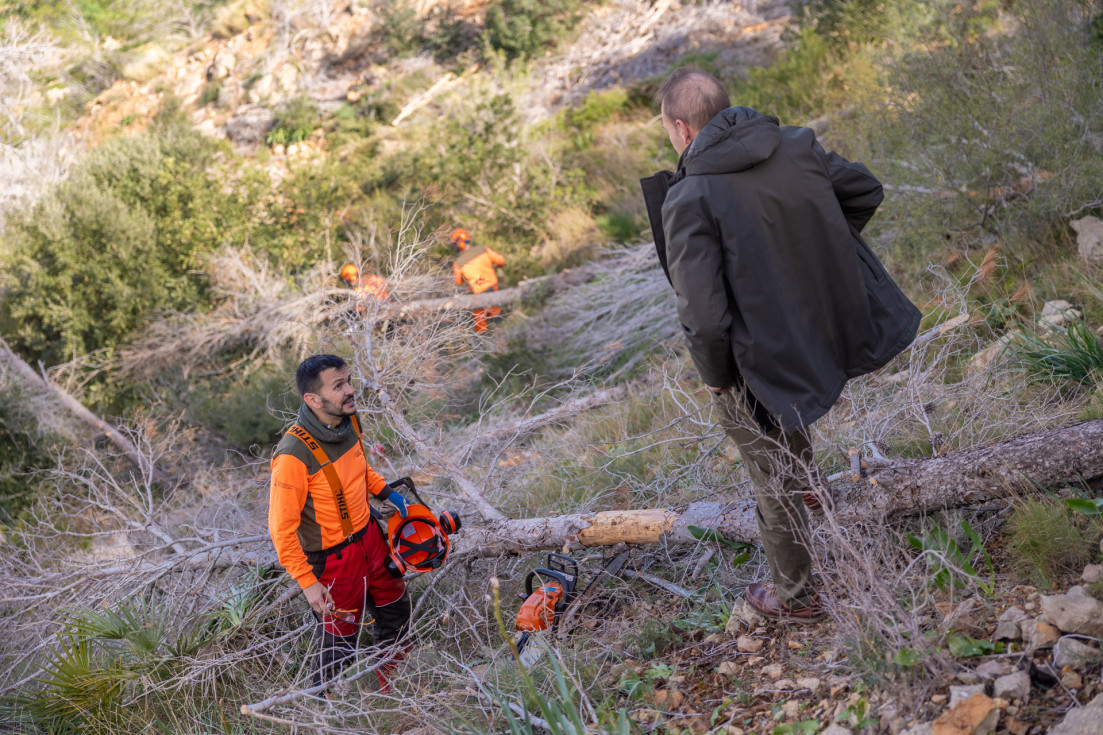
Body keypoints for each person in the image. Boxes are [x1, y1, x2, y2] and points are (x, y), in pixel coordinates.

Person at [640, 69, 920, 623]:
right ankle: (813, 495)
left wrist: (716, 378)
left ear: (680, 128)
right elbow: (864, 190)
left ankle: (795, 596)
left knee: (768, 473)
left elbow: (703, 315)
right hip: (812, 319)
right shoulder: (795, 144)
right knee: (786, 424)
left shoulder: (691, 195)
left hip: (755, 348)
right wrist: (819, 255)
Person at [269, 354, 413, 690]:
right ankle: (326, 706)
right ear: (312, 399)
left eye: (348, 381)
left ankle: (394, 691)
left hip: (371, 540)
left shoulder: (349, 421)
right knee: (340, 641)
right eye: (339, 386)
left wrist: (388, 494)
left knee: (395, 613)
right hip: (332, 561)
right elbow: (281, 529)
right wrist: (307, 582)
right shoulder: (292, 455)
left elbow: (360, 469)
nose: (350, 390)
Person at [450, 228, 506, 333]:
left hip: (478, 294)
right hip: (493, 288)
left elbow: (458, 282)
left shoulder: (458, 263)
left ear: (460, 243)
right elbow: (501, 261)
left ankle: (483, 340)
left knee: (479, 320)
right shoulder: (483, 250)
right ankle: (501, 335)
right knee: (497, 318)